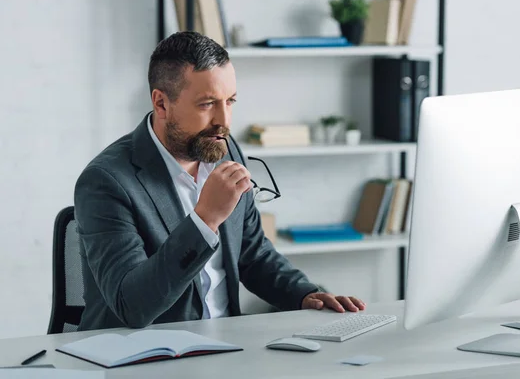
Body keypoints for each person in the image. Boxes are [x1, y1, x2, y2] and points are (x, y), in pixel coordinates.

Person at [74, 31, 365, 331]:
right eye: (207, 104)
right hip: (143, 356)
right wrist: (205, 220)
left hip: (226, 348)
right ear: (161, 104)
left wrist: (306, 295)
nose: (224, 121)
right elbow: (132, 307)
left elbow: (253, 253)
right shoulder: (105, 182)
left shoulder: (224, 149)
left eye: (230, 101)